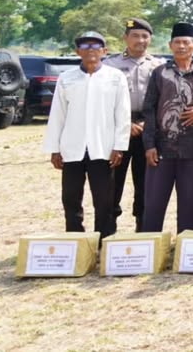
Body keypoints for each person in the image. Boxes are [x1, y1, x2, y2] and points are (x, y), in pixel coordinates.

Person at [43, 31, 130, 237]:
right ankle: (76, 239)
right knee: (70, 197)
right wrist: (54, 149)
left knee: (104, 199)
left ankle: (104, 239)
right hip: (72, 147)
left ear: (104, 51)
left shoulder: (115, 77)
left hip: (103, 148)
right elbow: (58, 114)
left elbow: (123, 114)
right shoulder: (66, 78)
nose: (90, 50)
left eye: (95, 46)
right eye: (85, 46)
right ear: (77, 51)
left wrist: (119, 146)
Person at [142, 23, 193, 233]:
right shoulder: (159, 73)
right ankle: (152, 245)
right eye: (177, 42)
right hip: (162, 149)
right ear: (170, 45)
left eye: (186, 42)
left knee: (190, 204)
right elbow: (149, 109)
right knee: (154, 203)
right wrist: (149, 145)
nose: (181, 46)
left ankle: (187, 247)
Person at [102, 17, 164, 232]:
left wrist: (150, 123)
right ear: (125, 38)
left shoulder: (159, 65)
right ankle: (108, 230)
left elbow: (164, 99)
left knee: (146, 183)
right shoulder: (110, 65)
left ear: (150, 39)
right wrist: (125, 124)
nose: (140, 40)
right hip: (118, 129)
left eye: (145, 36)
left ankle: (143, 229)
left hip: (149, 129)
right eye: (135, 36)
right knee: (112, 182)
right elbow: (104, 101)